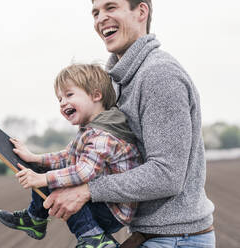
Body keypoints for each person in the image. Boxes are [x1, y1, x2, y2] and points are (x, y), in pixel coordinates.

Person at [42, 1, 216, 247]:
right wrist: (42, 164)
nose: (100, 18)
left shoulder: (159, 76)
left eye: (110, 7)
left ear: (141, 12)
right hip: (150, 235)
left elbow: (167, 174)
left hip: (176, 239)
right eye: (95, 12)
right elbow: (104, 150)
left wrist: (87, 191)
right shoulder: (117, 81)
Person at [0, 64, 141, 248]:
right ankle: (35, 220)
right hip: (103, 203)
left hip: (112, 211)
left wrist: (43, 178)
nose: (63, 102)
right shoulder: (91, 129)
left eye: (69, 95)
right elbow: (66, 156)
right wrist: (36, 159)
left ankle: (94, 238)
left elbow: (83, 172)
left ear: (96, 96)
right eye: (60, 99)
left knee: (57, 184)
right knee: (51, 174)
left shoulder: (103, 135)